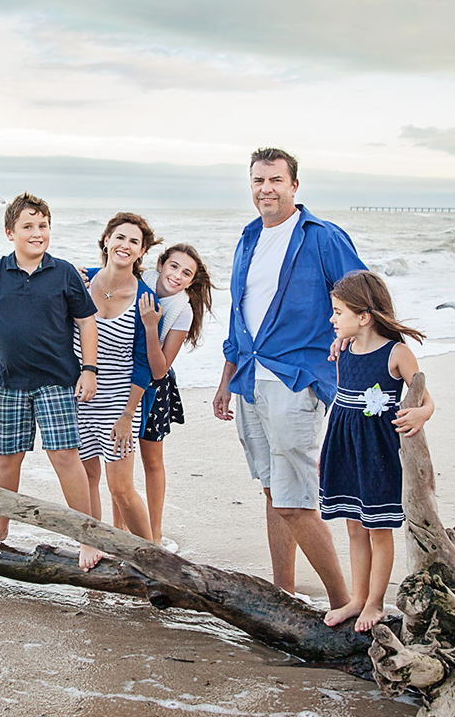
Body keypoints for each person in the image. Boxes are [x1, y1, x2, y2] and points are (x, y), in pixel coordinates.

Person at [212, 147, 365, 608]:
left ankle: (344, 606)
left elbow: (365, 301)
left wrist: (354, 356)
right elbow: (241, 318)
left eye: (276, 180)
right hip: (249, 380)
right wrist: (226, 379)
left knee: (295, 500)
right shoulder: (248, 239)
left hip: (295, 379)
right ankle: (285, 595)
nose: (266, 189)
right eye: (258, 181)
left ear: (294, 186)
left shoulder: (322, 237)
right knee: (272, 490)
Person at [0, 193, 104, 570]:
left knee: (66, 458)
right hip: (6, 382)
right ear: (10, 232)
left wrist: (90, 369)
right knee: (6, 460)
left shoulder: (64, 273)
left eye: (43, 226)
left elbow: (86, 321)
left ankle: (85, 535)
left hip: (55, 380)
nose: (38, 233)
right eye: (28, 227)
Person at [319, 270, 435, 631]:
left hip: (377, 451)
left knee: (378, 527)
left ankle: (375, 602)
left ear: (364, 316)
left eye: (339, 312)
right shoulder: (345, 349)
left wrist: (422, 412)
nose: (332, 319)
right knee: (354, 526)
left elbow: (426, 398)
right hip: (343, 443)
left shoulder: (397, 353)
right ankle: (356, 598)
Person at [79, 213, 161, 542]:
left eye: (133, 242)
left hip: (118, 402)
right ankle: (95, 548)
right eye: (120, 237)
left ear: (141, 252)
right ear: (106, 240)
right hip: (80, 396)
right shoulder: (82, 281)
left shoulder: (144, 299)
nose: (125, 245)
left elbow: (142, 365)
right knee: (86, 479)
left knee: (121, 489)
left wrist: (128, 414)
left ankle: (153, 555)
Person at [137, 243, 213, 550]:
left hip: (155, 387)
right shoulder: (137, 279)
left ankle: (154, 535)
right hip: (122, 380)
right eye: (173, 267)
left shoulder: (183, 310)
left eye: (186, 273)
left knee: (152, 461)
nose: (177, 276)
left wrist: (152, 326)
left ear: (192, 281)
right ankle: (119, 531)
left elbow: (159, 369)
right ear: (160, 264)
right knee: (120, 460)